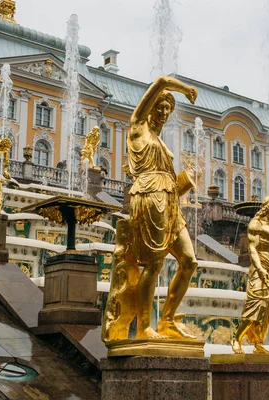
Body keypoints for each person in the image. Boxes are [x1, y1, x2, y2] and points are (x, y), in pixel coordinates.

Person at [104, 76, 199, 341]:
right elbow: (160, 81)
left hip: (170, 201)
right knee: (154, 263)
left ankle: (168, 320)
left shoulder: (159, 141)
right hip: (148, 196)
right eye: (160, 108)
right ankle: (144, 326)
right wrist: (183, 88)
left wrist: (183, 182)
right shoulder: (137, 128)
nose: (164, 114)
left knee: (189, 261)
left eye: (168, 110)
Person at [232, 196, 269, 355]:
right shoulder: (256, 224)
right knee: (256, 305)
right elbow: (253, 250)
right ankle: (236, 338)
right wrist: (261, 271)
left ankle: (258, 342)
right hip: (261, 268)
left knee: (267, 310)